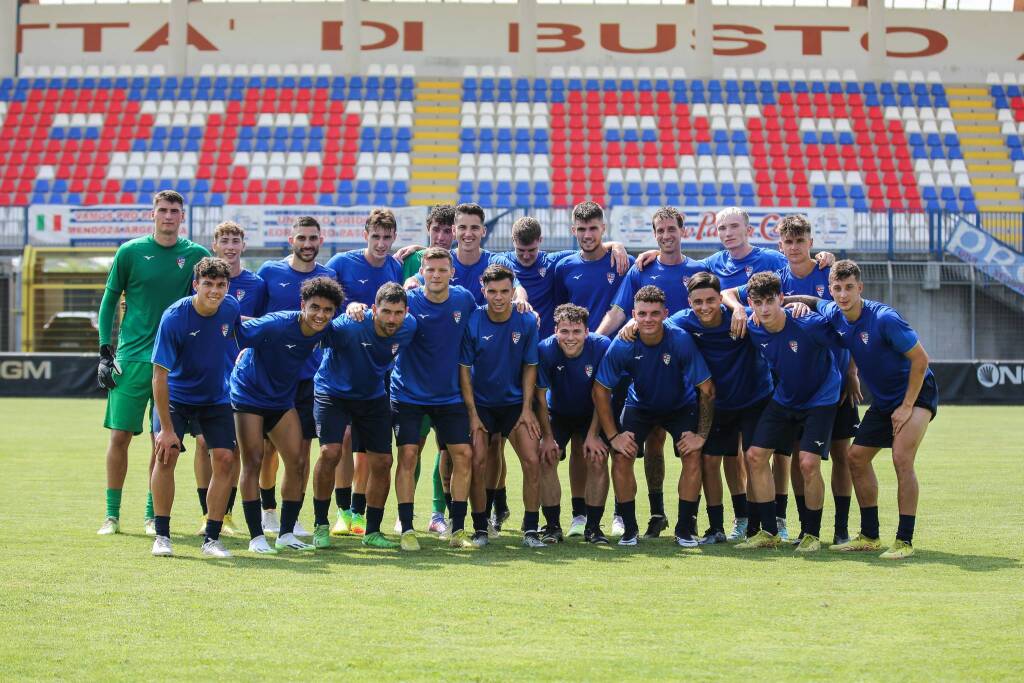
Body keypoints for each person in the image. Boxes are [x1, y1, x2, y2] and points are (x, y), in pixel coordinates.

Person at [635, 207, 833, 542]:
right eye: (722, 227)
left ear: (748, 228)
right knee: (722, 458)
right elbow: (684, 273)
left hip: (765, 383)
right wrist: (652, 255)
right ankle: (736, 521)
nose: (728, 232)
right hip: (716, 393)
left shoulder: (774, 258)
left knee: (774, 455)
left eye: (734, 226)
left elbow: (799, 269)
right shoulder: (710, 267)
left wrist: (822, 260)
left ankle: (775, 520)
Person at [786, 259, 938, 560]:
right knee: (855, 458)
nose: (843, 295)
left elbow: (921, 360)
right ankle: (869, 535)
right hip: (883, 401)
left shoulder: (885, 319)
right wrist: (787, 301)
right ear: (832, 289)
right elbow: (813, 301)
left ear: (860, 288)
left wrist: (906, 407)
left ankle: (904, 540)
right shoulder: (834, 311)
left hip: (916, 394)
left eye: (849, 288)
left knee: (901, 458)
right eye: (838, 288)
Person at [722, 214, 859, 544]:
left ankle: (839, 529)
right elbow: (729, 292)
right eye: (789, 241)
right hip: (790, 386)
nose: (795, 247)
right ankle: (792, 529)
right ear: (780, 246)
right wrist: (739, 309)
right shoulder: (775, 282)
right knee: (799, 459)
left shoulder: (828, 271)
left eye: (801, 240)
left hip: (832, 383)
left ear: (811, 243)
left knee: (840, 456)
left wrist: (852, 372)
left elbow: (849, 321)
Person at [96, 190, 211, 536]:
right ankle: (111, 515)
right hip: (131, 359)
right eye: (162, 210)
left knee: (162, 440)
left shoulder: (196, 255)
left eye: (174, 210)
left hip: (173, 364)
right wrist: (104, 350)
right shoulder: (130, 252)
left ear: (182, 216)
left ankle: (151, 515)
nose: (168, 216)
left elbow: (209, 300)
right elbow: (109, 299)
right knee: (119, 437)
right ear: (153, 214)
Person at [596, 206, 707, 539]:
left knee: (696, 451)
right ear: (654, 234)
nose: (666, 235)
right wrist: (595, 343)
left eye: (671, 229)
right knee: (645, 446)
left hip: (684, 372)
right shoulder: (640, 268)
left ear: (682, 231)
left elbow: (727, 293)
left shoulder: (701, 268)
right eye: (660, 231)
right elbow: (619, 311)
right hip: (643, 374)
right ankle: (654, 515)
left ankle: (692, 523)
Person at [594, 285, 715, 547]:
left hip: (680, 405)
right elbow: (601, 389)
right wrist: (614, 436)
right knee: (622, 455)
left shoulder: (680, 339)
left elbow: (706, 389)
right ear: (633, 315)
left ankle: (684, 529)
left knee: (693, 454)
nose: (648, 319)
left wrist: (701, 436)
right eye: (642, 314)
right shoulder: (624, 343)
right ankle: (629, 529)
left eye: (654, 313)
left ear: (665, 314)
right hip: (641, 406)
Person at [230, 276, 343, 553]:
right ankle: (256, 537)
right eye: (315, 307)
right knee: (253, 461)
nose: (320, 315)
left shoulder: (326, 330)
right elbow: (239, 330)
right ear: (302, 304)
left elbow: (356, 329)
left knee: (298, 461)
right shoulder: (277, 323)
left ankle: (286, 534)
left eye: (328, 310)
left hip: (281, 399)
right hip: (249, 394)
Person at [737, 272, 841, 552]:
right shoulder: (753, 324)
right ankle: (769, 532)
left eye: (771, 301)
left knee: (807, 463)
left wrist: (851, 375)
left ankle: (811, 534)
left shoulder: (809, 323)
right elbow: (722, 299)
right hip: (785, 398)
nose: (765, 309)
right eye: (758, 303)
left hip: (821, 398)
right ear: (751, 303)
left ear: (782, 298)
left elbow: (844, 336)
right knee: (755, 456)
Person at [312, 282, 417, 550]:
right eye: (386, 312)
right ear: (373, 309)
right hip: (333, 392)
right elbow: (313, 334)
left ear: (406, 311)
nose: (392, 319)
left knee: (383, 461)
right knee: (330, 453)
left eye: (398, 312)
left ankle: (372, 531)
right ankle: (320, 525)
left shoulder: (409, 326)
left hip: (371, 395)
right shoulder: (351, 324)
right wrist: (348, 308)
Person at [149, 257, 241, 558]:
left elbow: (237, 337)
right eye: (208, 284)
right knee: (166, 456)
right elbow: (159, 376)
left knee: (226, 460)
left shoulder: (231, 308)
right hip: (176, 396)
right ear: (195, 285)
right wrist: (166, 429)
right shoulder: (174, 317)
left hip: (215, 398)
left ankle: (212, 538)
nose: (215, 291)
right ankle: (162, 535)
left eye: (221, 285)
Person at [389, 247, 478, 551]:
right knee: (409, 455)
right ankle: (406, 528)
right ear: (421, 272)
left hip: (448, 395)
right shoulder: (408, 300)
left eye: (443, 270)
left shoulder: (464, 299)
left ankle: (457, 527)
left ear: (452, 273)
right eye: (431, 270)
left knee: (463, 455)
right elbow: (383, 312)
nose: (437, 275)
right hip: (408, 394)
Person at [325, 209, 404, 538]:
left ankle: (359, 512)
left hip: (378, 371)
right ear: (365, 234)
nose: (382, 243)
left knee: (370, 448)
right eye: (376, 236)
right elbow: (321, 305)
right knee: (341, 441)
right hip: (343, 368)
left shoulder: (395, 267)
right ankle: (342, 511)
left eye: (388, 237)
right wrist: (349, 306)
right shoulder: (342, 264)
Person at [254, 216, 335, 536]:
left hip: (308, 379)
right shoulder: (270, 273)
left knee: (300, 452)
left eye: (312, 238)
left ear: (321, 240)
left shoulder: (328, 276)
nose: (307, 244)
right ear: (291, 240)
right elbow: (256, 321)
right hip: (271, 378)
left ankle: (292, 516)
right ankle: (268, 509)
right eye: (301, 238)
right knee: (268, 451)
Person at [459, 265, 546, 548]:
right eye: (492, 291)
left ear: (513, 291)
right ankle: (481, 528)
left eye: (504, 291)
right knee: (477, 461)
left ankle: (531, 530)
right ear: (483, 291)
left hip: (514, 406)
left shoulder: (526, 321)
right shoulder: (473, 321)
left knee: (533, 461)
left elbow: (530, 367)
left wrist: (526, 409)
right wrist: (472, 414)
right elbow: (464, 371)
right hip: (482, 406)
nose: (498, 297)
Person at [193, 220, 267, 538]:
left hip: (238, 375)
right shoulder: (204, 282)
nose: (230, 245)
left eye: (236, 239)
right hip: (204, 372)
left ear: (243, 245)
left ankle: (226, 514)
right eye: (224, 239)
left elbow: (261, 324)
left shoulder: (257, 284)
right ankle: (205, 512)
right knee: (201, 442)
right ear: (215, 245)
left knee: (231, 449)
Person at [537, 304, 613, 542]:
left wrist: (593, 435)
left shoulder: (601, 347)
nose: (570, 338)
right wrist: (547, 438)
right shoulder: (545, 349)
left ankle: (592, 527)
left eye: (577, 331)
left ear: (587, 331)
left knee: (597, 457)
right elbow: (539, 396)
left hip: (593, 412)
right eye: (565, 331)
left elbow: (603, 394)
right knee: (546, 456)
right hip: (557, 413)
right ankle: (552, 526)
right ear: (555, 330)